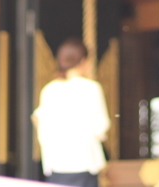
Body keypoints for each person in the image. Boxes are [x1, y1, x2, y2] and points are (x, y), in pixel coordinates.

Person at [32, 38, 110, 187]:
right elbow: (101, 125)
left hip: (56, 163)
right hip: (84, 162)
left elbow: (40, 123)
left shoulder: (49, 90)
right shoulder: (91, 88)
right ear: (83, 61)